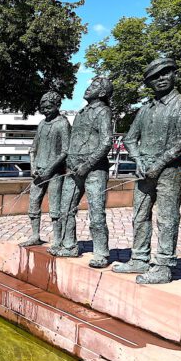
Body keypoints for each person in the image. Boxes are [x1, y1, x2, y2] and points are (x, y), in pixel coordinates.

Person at [113, 57, 181, 284]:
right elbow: (130, 139)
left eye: (165, 73)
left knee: (167, 218)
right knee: (140, 215)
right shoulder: (145, 109)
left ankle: (164, 265)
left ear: (173, 75)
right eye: (155, 77)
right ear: (149, 82)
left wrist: (159, 163)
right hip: (143, 169)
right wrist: (138, 160)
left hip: (169, 170)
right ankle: (139, 258)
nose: (161, 79)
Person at [51, 76, 113, 268]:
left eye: (94, 86)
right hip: (73, 167)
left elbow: (106, 142)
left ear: (102, 93)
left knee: (96, 212)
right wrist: (69, 160)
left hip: (95, 169)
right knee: (65, 208)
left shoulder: (103, 112)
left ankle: (101, 253)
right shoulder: (80, 113)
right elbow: (73, 141)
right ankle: (69, 245)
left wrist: (88, 163)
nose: (88, 88)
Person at [20, 91, 70, 249]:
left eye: (49, 107)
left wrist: (49, 169)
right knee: (33, 203)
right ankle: (35, 235)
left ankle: (57, 240)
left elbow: (65, 151)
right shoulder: (41, 124)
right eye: (43, 108)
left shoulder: (63, 124)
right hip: (39, 171)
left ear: (57, 106)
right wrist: (33, 167)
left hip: (55, 172)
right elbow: (33, 148)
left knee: (55, 207)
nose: (45, 110)